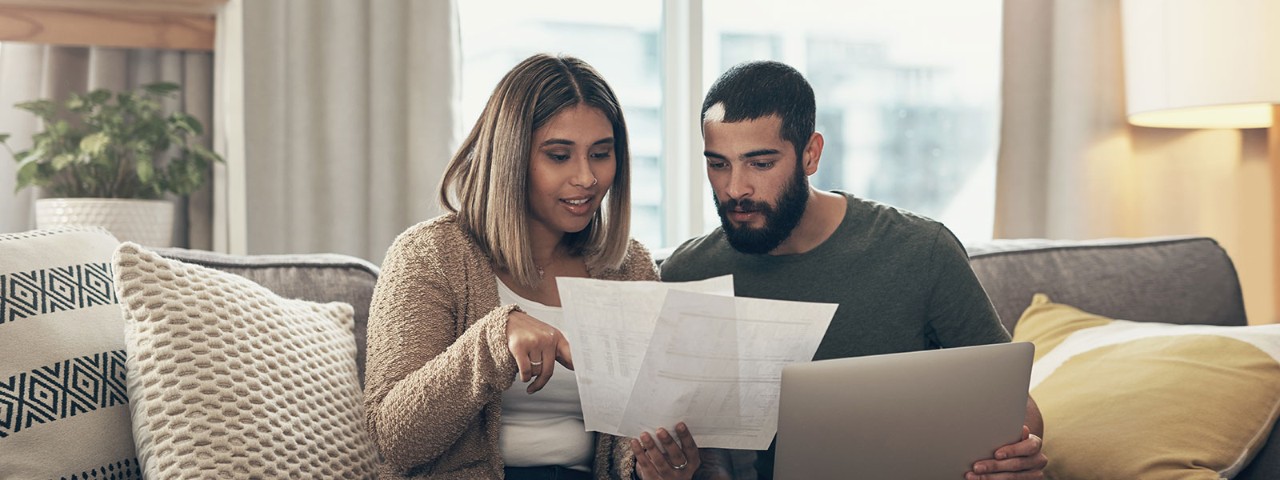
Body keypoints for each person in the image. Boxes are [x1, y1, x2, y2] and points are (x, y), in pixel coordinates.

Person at [660, 60, 1048, 480]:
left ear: (811, 154)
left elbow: (1017, 412)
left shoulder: (921, 251)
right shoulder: (688, 274)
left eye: (760, 163)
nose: (736, 189)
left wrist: (1014, 457)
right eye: (718, 164)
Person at [364, 54, 714, 479]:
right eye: (559, 155)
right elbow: (396, 439)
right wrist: (497, 338)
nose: (586, 178)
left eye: (601, 154)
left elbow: (632, 427)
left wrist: (647, 467)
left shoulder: (628, 267)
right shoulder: (428, 255)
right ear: (511, 160)